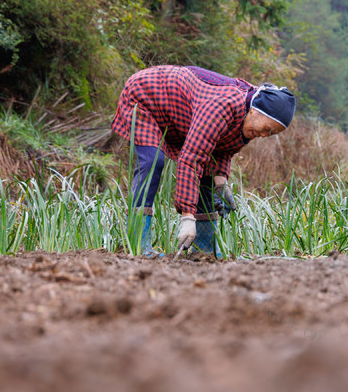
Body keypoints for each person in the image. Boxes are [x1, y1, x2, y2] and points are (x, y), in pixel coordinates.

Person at [111, 65, 296, 258]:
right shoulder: (222, 106)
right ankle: (138, 245)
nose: (265, 135)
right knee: (152, 162)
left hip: (177, 113)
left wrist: (221, 184)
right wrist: (187, 218)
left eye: (271, 133)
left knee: (206, 176)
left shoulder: (248, 117)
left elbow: (220, 150)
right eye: (267, 128)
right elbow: (191, 160)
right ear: (255, 111)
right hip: (146, 96)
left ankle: (204, 250)